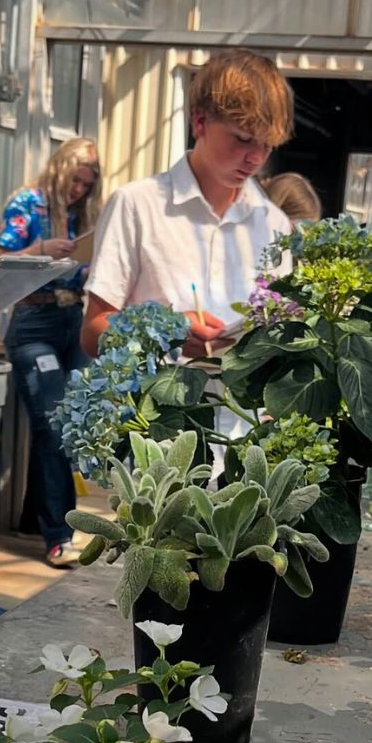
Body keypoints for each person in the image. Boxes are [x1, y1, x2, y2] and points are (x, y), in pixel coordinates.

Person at [82, 49, 293, 462]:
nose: (254, 158)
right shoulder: (137, 205)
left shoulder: (274, 224)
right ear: (200, 121)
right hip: (158, 447)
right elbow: (92, 332)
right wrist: (169, 332)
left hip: (248, 447)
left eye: (266, 145)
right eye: (243, 139)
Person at [0, 138, 102, 567]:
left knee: (73, 422)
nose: (79, 190)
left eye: (87, 184)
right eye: (75, 180)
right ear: (60, 170)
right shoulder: (27, 202)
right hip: (34, 319)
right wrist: (41, 250)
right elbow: (2, 260)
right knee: (54, 422)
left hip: (71, 318)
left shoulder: (81, 215)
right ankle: (58, 534)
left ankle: (36, 516)